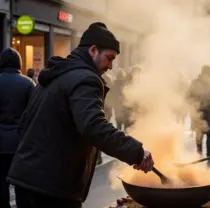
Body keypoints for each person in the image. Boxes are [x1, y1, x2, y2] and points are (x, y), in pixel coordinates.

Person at [7, 22, 154, 208]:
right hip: (52, 187)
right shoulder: (86, 79)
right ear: (93, 50)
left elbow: (25, 122)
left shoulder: (57, 74)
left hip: (28, 180)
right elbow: (93, 126)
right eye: (109, 58)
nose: (110, 66)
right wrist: (137, 152)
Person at [0, 48, 35, 208]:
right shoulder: (28, 84)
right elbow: (35, 115)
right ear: (19, 63)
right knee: (22, 184)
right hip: (21, 143)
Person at [187, 65, 210, 165]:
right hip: (209, 112)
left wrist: (195, 104)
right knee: (209, 135)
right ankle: (209, 156)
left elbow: (188, 96)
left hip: (199, 112)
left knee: (199, 135)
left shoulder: (195, 83)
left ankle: (199, 155)